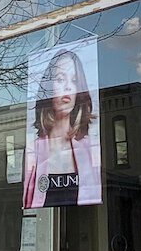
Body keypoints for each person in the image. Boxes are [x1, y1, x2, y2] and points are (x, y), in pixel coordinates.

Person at [23, 48, 100, 209]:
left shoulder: (90, 148)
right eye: (60, 79)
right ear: (48, 87)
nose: (68, 88)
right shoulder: (33, 150)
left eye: (74, 81)